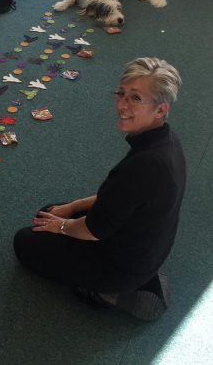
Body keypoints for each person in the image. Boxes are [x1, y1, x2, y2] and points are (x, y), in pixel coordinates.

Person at [13, 57, 186, 321]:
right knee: (47, 212)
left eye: (135, 98)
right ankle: (117, 281)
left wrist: (61, 226)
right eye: (121, 93)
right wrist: (70, 208)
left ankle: (109, 293)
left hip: (122, 267)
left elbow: (93, 230)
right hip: (145, 247)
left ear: (160, 109)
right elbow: (118, 198)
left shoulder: (143, 166)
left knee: (24, 242)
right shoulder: (167, 140)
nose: (121, 104)